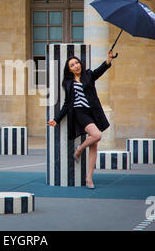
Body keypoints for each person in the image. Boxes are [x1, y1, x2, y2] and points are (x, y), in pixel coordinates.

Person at [47, 50, 115, 189]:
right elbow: (67, 103)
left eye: (77, 62)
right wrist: (56, 119)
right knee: (97, 135)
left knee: (94, 145)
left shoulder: (88, 75)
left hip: (93, 112)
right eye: (72, 65)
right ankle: (79, 150)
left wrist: (108, 59)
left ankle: (89, 178)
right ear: (69, 69)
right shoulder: (68, 83)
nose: (76, 66)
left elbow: (100, 70)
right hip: (79, 113)